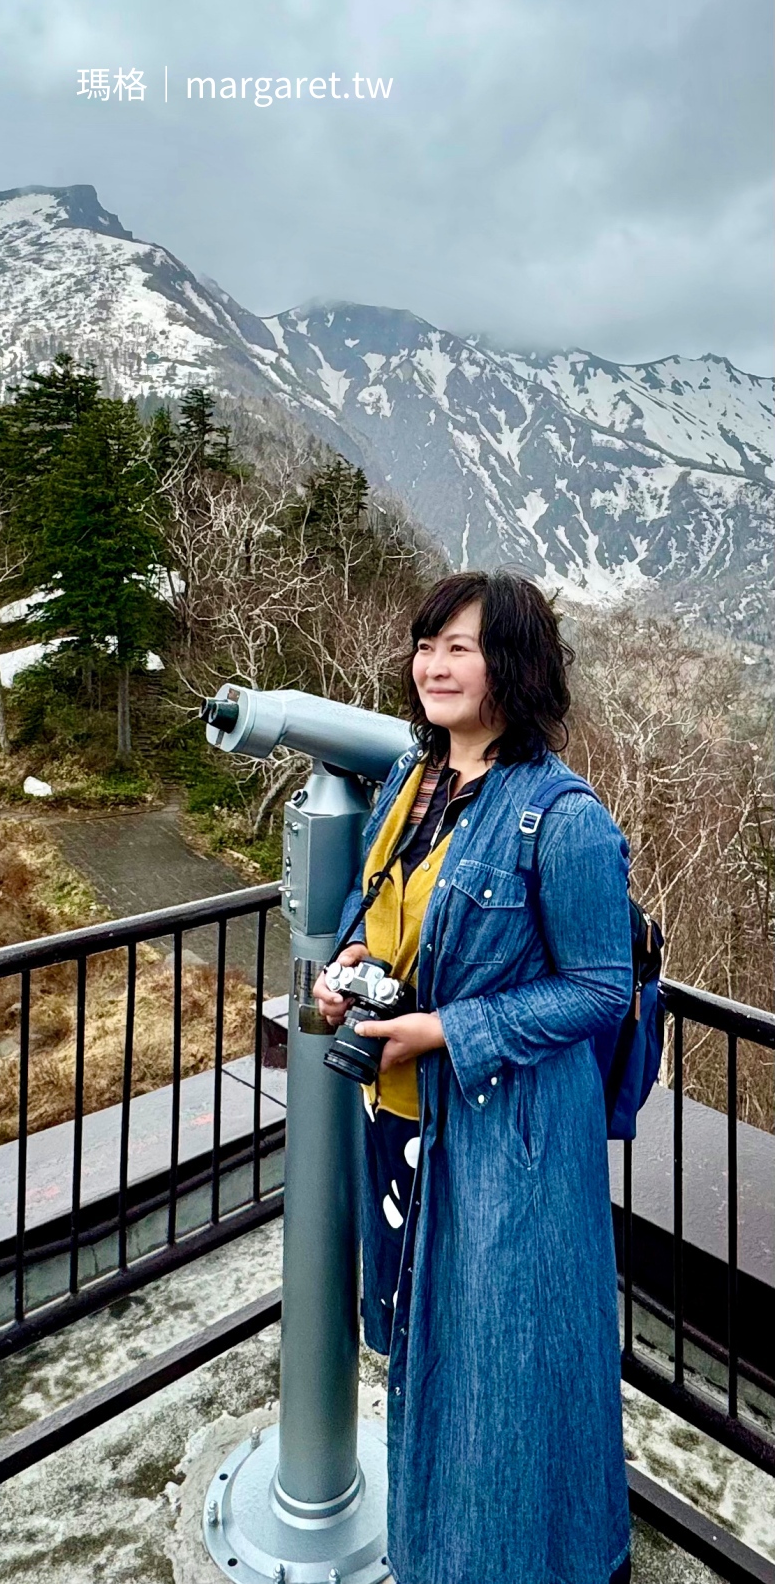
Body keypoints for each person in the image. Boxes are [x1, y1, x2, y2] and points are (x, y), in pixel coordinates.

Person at [313, 570, 634, 1584]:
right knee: (431, 1354)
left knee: (506, 1365)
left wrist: (447, 1029)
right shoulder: (413, 785)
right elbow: (381, 905)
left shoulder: (562, 817)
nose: (435, 665)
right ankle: (442, 1550)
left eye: (462, 646)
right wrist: (350, 964)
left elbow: (600, 987)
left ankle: (542, 1559)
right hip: (413, 1122)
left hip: (510, 1138)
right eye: (427, 644)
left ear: (515, 665)